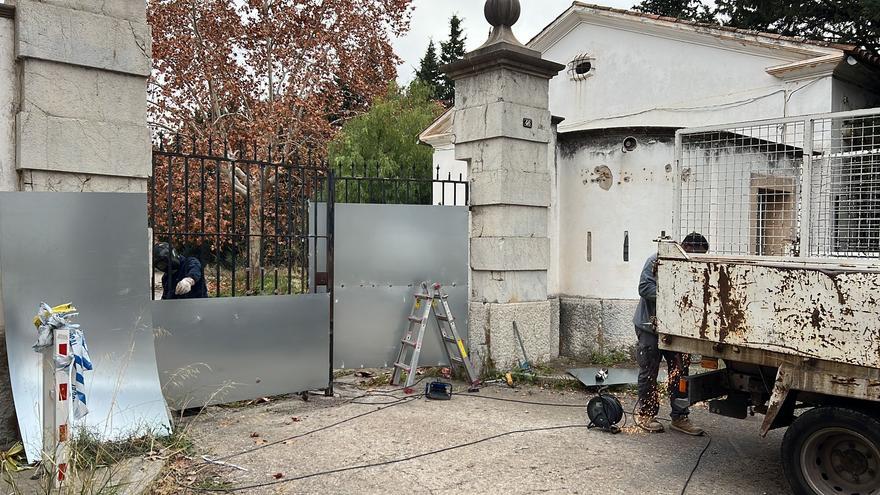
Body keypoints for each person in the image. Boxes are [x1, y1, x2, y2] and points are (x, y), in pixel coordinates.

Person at [633, 232, 709, 435]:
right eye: (695, 254)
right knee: (649, 372)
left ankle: (680, 417)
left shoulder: (694, 266)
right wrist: (675, 294)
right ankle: (646, 414)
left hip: (677, 331)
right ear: (686, 247)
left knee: (680, 374)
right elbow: (644, 287)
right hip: (650, 327)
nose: (697, 259)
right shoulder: (656, 260)